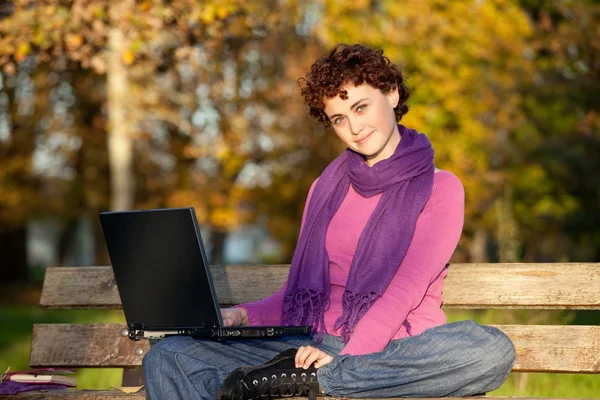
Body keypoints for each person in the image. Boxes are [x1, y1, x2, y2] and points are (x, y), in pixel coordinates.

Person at [142, 44, 516, 399]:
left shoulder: (441, 188)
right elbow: (296, 296)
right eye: (340, 118)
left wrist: (346, 360)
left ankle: (317, 382)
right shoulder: (325, 188)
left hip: (393, 351)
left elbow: (404, 291)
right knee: (169, 355)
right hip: (305, 346)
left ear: (392, 95)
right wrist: (241, 314)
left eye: (361, 107)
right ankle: (297, 378)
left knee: (490, 350)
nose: (355, 127)